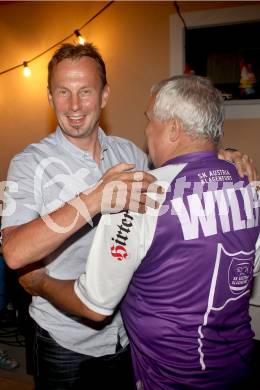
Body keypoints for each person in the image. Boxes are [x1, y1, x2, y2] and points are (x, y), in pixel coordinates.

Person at [1, 42, 257, 388]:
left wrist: (220, 155)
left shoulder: (130, 153)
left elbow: (178, 174)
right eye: (63, 92)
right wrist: (94, 199)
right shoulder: (28, 163)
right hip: (64, 339)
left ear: (104, 96)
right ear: (50, 98)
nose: (74, 106)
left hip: (127, 338)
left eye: (85, 91)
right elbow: (14, 252)